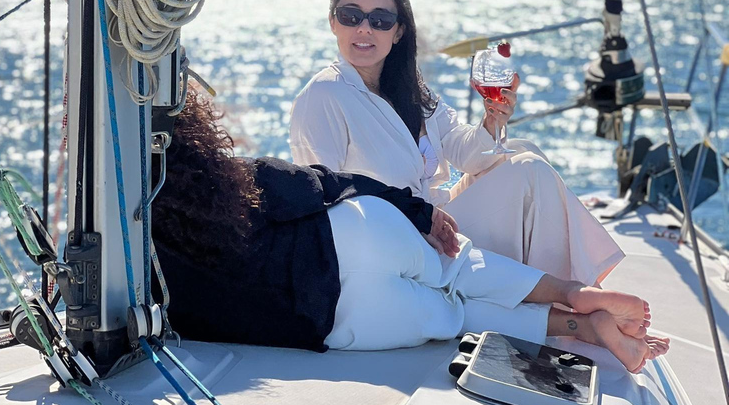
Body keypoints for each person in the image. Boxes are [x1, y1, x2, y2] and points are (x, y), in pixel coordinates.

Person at [151, 88, 669, 374]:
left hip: (337, 318)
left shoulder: (150, 276)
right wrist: (418, 213)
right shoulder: (232, 182)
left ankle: (583, 329)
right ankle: (578, 295)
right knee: (464, 267)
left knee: (460, 314)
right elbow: (327, 183)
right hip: (354, 235)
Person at [290, 0, 623, 286]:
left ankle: (571, 290)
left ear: (399, 31)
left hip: (439, 225)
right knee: (530, 171)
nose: (364, 28)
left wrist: (492, 122)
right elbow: (324, 199)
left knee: (522, 151)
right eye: (351, 16)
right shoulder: (325, 94)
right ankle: (576, 294)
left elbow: (466, 155)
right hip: (402, 241)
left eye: (380, 19)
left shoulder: (408, 91)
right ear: (334, 22)